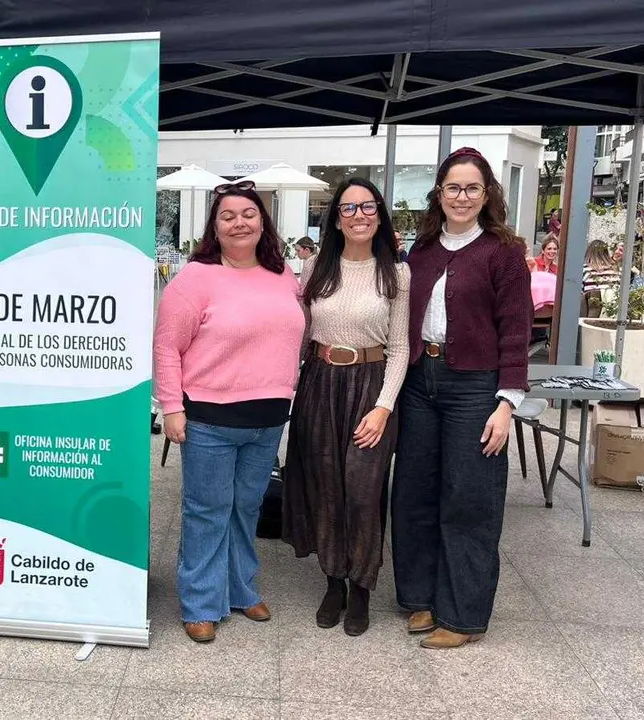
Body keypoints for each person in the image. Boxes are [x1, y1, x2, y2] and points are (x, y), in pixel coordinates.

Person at [391, 147, 532, 650]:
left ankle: (462, 612)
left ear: (487, 194)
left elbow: (516, 330)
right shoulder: (423, 251)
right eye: (453, 187)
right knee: (414, 492)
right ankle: (420, 597)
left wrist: (506, 402)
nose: (463, 197)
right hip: (419, 380)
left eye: (473, 188)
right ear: (439, 194)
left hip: (474, 385)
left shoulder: (503, 252)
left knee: (468, 497)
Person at [154, 179, 305, 643]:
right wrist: (171, 408)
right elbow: (166, 346)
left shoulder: (284, 276)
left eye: (248, 214)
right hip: (209, 419)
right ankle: (201, 602)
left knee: (247, 508)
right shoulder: (195, 278)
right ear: (214, 228)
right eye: (228, 216)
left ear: (263, 222)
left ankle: (240, 588)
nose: (239, 222)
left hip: (267, 419)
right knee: (207, 510)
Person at [282, 177, 409, 636]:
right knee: (324, 486)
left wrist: (383, 408)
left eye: (368, 207)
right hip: (319, 383)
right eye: (349, 208)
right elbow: (299, 334)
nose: (359, 216)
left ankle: (362, 587)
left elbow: (398, 348)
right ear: (336, 217)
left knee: (362, 490)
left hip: (370, 385)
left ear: (380, 215)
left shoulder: (397, 273)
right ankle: (333, 580)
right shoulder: (316, 266)